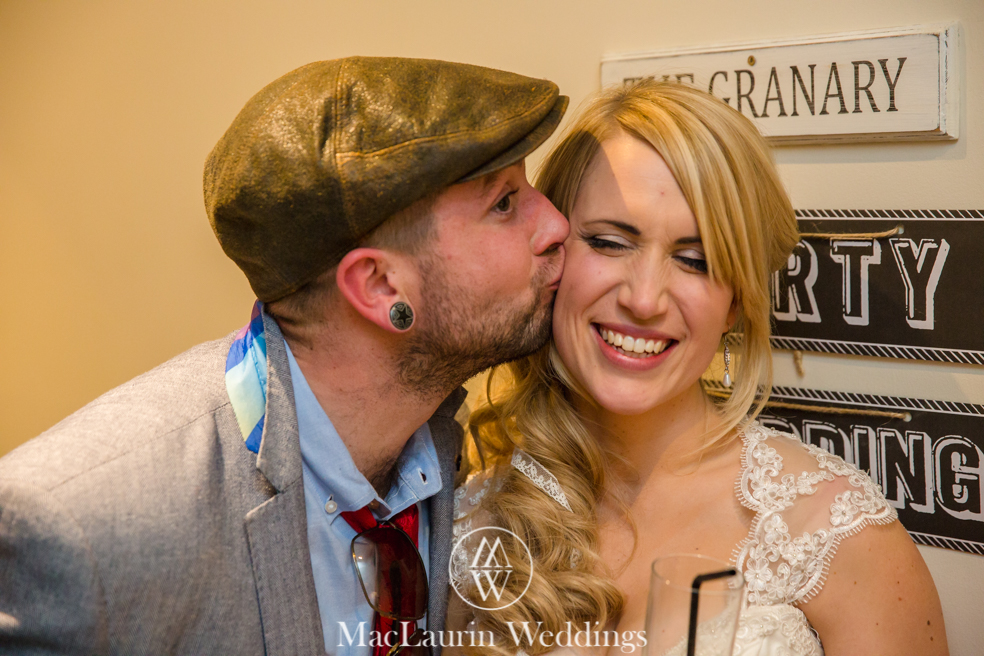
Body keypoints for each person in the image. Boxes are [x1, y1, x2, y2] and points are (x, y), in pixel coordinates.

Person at [0, 57, 569, 656]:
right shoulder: (80, 527)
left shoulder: (442, 453)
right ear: (379, 287)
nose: (556, 224)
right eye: (503, 203)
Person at [450, 79, 948, 655]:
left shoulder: (833, 531)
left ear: (735, 299)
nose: (644, 299)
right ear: (554, 252)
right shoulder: (473, 521)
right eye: (610, 243)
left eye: (694, 260)